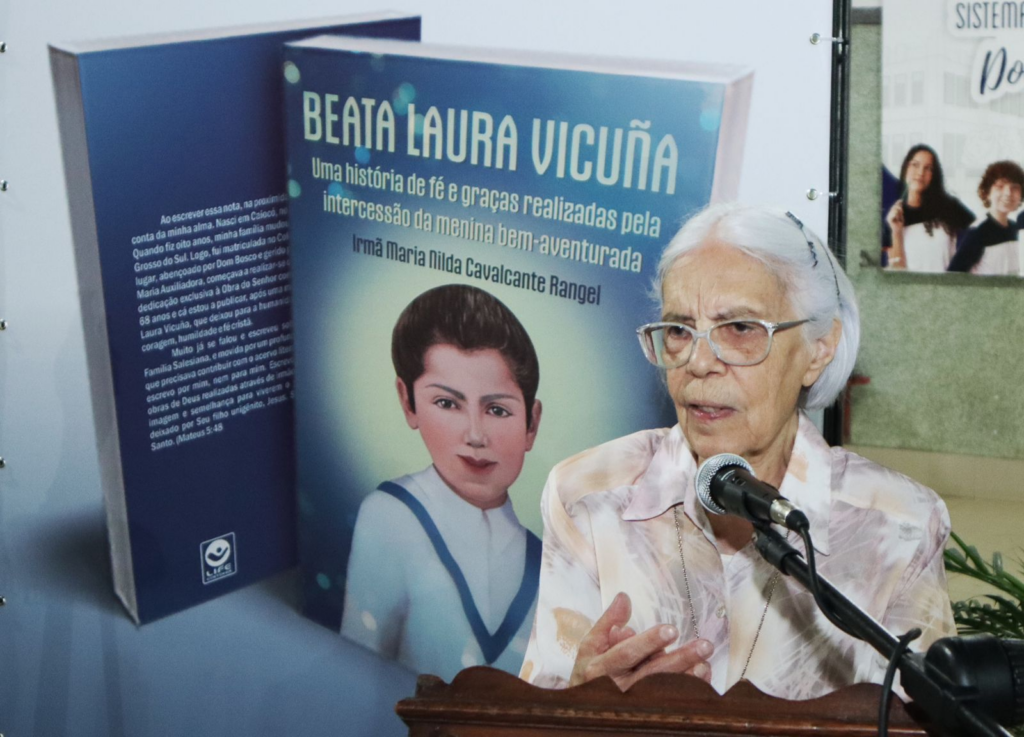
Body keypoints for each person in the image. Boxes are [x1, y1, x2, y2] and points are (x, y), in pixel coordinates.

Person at [520, 204, 955, 700]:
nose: (699, 362)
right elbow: (530, 713)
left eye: (741, 329)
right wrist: (582, 706)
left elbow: (924, 719)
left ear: (819, 349)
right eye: (679, 331)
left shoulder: (899, 525)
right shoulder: (590, 494)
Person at [342, 284, 543, 680]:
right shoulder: (390, 516)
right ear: (408, 402)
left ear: (531, 424)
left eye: (497, 410)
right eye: (447, 403)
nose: (475, 435)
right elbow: (357, 667)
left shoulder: (547, 559)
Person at [885, 144, 974, 272]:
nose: (920, 172)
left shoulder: (949, 207)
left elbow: (978, 236)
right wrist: (896, 231)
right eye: (915, 165)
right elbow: (897, 271)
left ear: (933, 175)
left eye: (928, 168)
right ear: (905, 168)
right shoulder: (894, 217)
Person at [948, 160, 1023, 275]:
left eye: (1014, 187)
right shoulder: (977, 232)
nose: (1008, 193)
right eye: (1000, 186)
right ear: (987, 192)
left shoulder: (1016, 230)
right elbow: (953, 276)